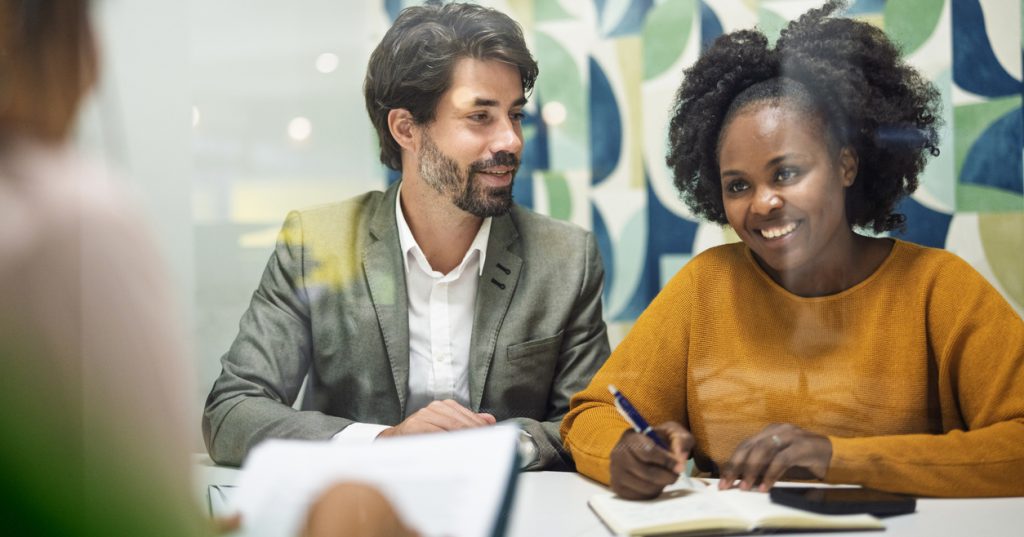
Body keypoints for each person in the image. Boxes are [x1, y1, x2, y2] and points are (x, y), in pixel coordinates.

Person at [561, 0, 1024, 499]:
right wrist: (625, 451)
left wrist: (836, 459)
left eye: (786, 173)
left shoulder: (939, 288)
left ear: (846, 165)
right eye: (737, 186)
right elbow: (592, 413)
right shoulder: (706, 286)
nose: (763, 203)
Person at [203, 2, 610, 470]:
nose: (511, 140)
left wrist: (496, 446)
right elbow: (231, 412)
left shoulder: (566, 257)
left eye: (514, 115)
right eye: (480, 117)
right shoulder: (315, 243)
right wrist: (383, 442)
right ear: (406, 128)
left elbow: (588, 422)